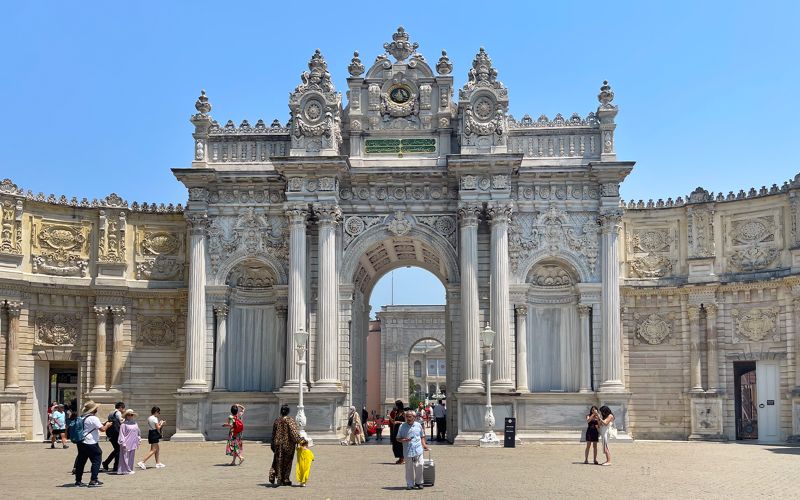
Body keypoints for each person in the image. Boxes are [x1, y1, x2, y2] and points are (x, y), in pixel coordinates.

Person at [73, 400, 112, 487]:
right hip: (91, 442)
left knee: (81, 461)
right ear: (94, 410)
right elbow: (102, 429)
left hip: (81, 441)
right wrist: (108, 425)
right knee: (96, 459)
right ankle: (93, 479)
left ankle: (78, 481)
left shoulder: (82, 417)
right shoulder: (94, 418)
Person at [269, 405, 306, 486]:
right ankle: (285, 479)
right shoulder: (290, 421)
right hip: (288, 445)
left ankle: (277, 476)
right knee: (287, 462)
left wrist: (272, 444)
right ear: (288, 412)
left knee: (278, 460)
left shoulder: (277, 420)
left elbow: (273, 434)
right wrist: (301, 440)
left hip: (278, 444)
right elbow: (294, 433)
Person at [397, 410, 429, 490]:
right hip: (408, 450)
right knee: (409, 468)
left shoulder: (418, 425)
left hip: (418, 449)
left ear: (414, 417)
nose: (408, 418)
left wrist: (424, 444)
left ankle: (419, 482)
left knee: (420, 465)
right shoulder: (402, 426)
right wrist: (403, 440)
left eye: (410, 417)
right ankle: (410, 484)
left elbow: (422, 436)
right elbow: (398, 438)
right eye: (406, 416)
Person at [102, 401, 125, 472]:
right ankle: (115, 466)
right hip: (116, 433)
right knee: (118, 449)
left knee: (117, 449)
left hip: (111, 434)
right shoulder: (118, 413)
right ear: (120, 407)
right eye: (123, 408)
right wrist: (125, 420)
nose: (124, 410)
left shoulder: (111, 413)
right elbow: (121, 422)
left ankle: (107, 463)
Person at [117, 409, 140, 475]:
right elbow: (121, 434)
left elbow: (138, 432)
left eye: (131, 415)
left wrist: (138, 439)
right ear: (126, 416)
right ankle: (125, 470)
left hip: (133, 442)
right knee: (125, 457)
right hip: (126, 442)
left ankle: (130, 469)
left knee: (131, 457)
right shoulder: (123, 425)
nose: (130, 416)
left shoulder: (135, 423)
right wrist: (123, 443)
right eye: (129, 415)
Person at [389, 400, 406, 464]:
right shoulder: (396, 413)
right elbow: (394, 422)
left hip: (401, 430)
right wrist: (390, 418)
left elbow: (406, 422)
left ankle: (402, 458)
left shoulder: (404, 413)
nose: (395, 406)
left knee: (400, 444)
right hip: (396, 430)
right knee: (395, 444)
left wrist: (398, 422)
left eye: (396, 405)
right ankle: (400, 458)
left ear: (399, 406)